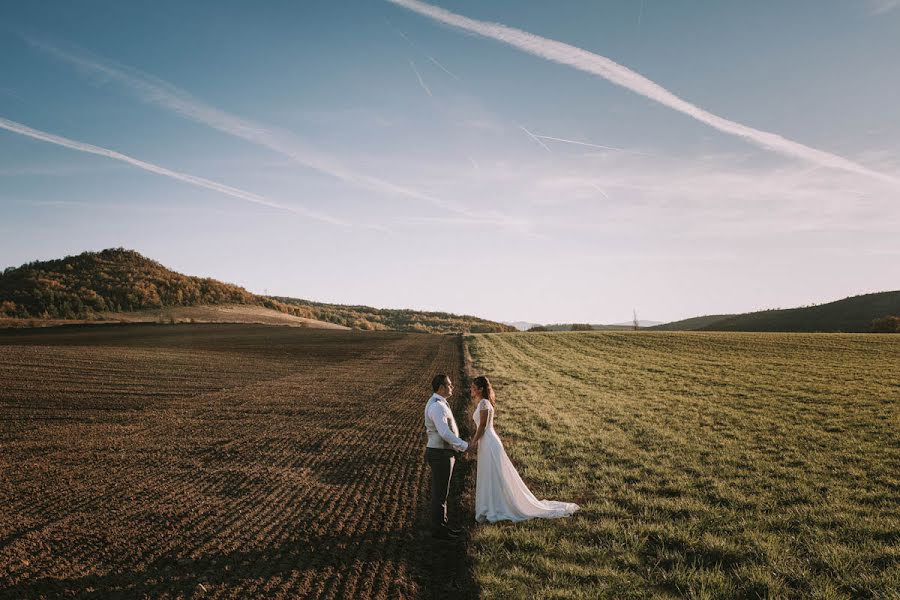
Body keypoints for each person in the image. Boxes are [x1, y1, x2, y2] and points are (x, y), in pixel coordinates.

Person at [468, 375, 579, 523]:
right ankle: (492, 505)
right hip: (488, 441)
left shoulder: (483, 403)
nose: (471, 389)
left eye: (473, 387)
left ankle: (496, 506)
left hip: (488, 442)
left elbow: (482, 426)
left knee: (493, 475)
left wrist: (473, 443)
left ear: (480, 389)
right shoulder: (484, 402)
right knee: (492, 475)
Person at [424, 374, 469, 540]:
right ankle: (438, 529)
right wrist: (464, 446)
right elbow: (444, 432)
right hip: (440, 454)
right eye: (449, 385)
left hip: (441, 453)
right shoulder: (437, 406)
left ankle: (441, 526)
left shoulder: (439, 403)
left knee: (441, 492)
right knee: (440, 494)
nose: (452, 387)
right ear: (441, 388)